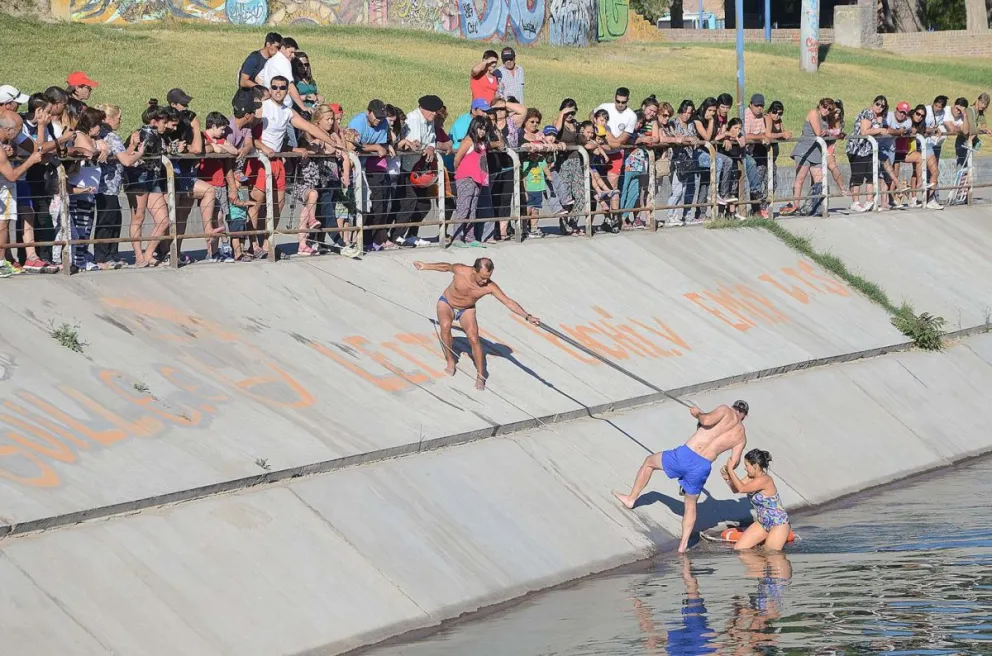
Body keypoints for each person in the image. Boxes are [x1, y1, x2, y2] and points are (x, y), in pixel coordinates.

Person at [613, 400, 749, 553]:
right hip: (702, 466)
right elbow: (734, 461)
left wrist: (696, 412)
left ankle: (631, 499)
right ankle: (683, 546)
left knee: (649, 463)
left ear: (734, 407)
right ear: (745, 416)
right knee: (691, 505)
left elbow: (706, 420)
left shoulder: (725, 409)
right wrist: (728, 470)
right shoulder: (741, 436)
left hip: (685, 455)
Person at [412, 257, 540, 391]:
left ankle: (481, 375)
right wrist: (425, 266)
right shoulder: (461, 270)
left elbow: (508, 302)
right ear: (474, 270)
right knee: (445, 327)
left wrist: (527, 316)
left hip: (467, 309)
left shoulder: (490, 286)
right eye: (482, 277)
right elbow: (446, 267)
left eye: (488, 277)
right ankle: (450, 360)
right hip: (447, 303)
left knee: (474, 339)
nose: (485, 281)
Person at [721, 448, 792, 551]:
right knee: (740, 549)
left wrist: (731, 470)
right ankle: (758, 566)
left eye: (747, 465)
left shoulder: (765, 480)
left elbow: (742, 488)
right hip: (762, 522)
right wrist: (728, 478)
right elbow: (736, 489)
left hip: (778, 523)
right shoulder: (751, 477)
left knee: (770, 554)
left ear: (755, 466)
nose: (745, 468)